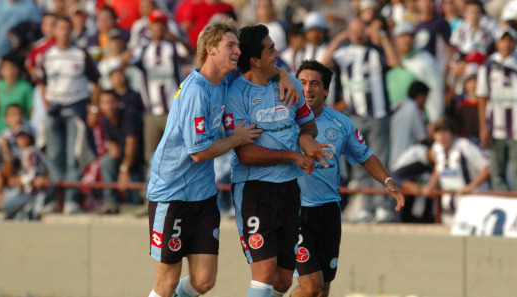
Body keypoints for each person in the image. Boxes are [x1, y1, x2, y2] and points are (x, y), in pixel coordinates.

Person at [146, 18, 299, 297]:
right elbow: (198, 153)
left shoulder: (225, 79)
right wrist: (236, 140)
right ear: (210, 49)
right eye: (230, 45)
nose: (237, 52)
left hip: (203, 194)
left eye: (238, 46)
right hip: (172, 193)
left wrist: (283, 74)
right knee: (167, 282)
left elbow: (259, 65)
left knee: (204, 281)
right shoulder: (195, 91)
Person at [225, 25, 331, 297]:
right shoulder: (236, 94)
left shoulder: (287, 83)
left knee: (283, 281)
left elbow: (308, 127)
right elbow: (245, 153)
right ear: (255, 60)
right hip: (254, 189)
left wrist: (307, 141)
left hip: (289, 189)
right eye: (270, 50)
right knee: (264, 271)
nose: (277, 53)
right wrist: (293, 155)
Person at [288, 60, 404, 297]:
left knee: (322, 290)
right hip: (296, 210)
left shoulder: (340, 123)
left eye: (314, 84)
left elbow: (365, 156)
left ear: (327, 90)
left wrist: (387, 181)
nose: (308, 89)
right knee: (311, 285)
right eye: (302, 83)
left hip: (329, 211)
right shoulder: (285, 121)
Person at [322, 18, 394, 223]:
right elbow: (324, 62)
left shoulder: (376, 51)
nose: (358, 34)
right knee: (360, 163)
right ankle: (367, 207)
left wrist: (380, 36)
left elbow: (394, 61)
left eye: (362, 30)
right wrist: (338, 39)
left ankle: (383, 206)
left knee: (380, 160)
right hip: (355, 116)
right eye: (354, 30)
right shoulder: (344, 53)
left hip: (379, 115)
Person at [41, 17, 100, 214]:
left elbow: (97, 82)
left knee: (73, 157)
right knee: (54, 156)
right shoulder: (47, 55)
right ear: (54, 31)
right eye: (60, 28)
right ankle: (55, 199)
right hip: (55, 110)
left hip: (76, 108)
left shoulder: (80, 54)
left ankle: (71, 200)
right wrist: (47, 103)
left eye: (67, 29)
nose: (64, 33)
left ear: (71, 31)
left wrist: (93, 109)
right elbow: (42, 82)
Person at [122, 9, 193, 165]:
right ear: (150, 27)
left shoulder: (173, 46)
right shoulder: (144, 48)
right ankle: (152, 187)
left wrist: (178, 40)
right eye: (155, 24)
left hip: (173, 111)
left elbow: (190, 54)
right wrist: (127, 56)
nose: (158, 28)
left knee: (176, 154)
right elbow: (126, 63)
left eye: (161, 24)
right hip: (151, 113)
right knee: (152, 156)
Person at [421, 117, 490, 224]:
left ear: (452, 133)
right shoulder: (436, 148)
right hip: (448, 207)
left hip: (471, 204)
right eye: (438, 133)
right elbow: (439, 167)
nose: (442, 137)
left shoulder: (464, 145)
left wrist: (470, 187)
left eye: (445, 132)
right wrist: (430, 185)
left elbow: (487, 168)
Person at [476, 27, 517, 191]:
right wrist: (483, 127)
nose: (507, 44)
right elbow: (482, 97)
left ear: (515, 42)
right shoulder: (489, 66)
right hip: (496, 128)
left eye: (510, 40)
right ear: (497, 43)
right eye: (503, 40)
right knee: (497, 172)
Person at [98, 91, 144, 214]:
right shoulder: (105, 119)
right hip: (124, 157)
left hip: (139, 158)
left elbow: (132, 145)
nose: (109, 106)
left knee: (133, 201)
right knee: (106, 161)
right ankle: (110, 203)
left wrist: (124, 169)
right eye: (104, 103)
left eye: (111, 102)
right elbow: (111, 142)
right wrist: (111, 145)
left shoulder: (129, 115)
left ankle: (139, 204)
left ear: (118, 103)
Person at [0, 125, 51, 220]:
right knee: (6, 204)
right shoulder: (22, 152)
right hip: (27, 189)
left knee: (7, 203)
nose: (22, 140)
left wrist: (20, 180)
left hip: (36, 191)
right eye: (19, 137)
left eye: (24, 137)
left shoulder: (33, 152)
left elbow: (36, 174)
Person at [389, 81, 429, 168]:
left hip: (390, 156)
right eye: (425, 97)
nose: (425, 101)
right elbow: (421, 137)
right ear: (420, 96)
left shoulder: (399, 105)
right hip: (405, 158)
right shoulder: (414, 108)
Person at [0, 57, 33, 136]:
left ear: (18, 69)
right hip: (0, 128)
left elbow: (31, 109)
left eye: (11, 68)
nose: (9, 71)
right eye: (5, 68)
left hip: (21, 131)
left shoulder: (26, 87)